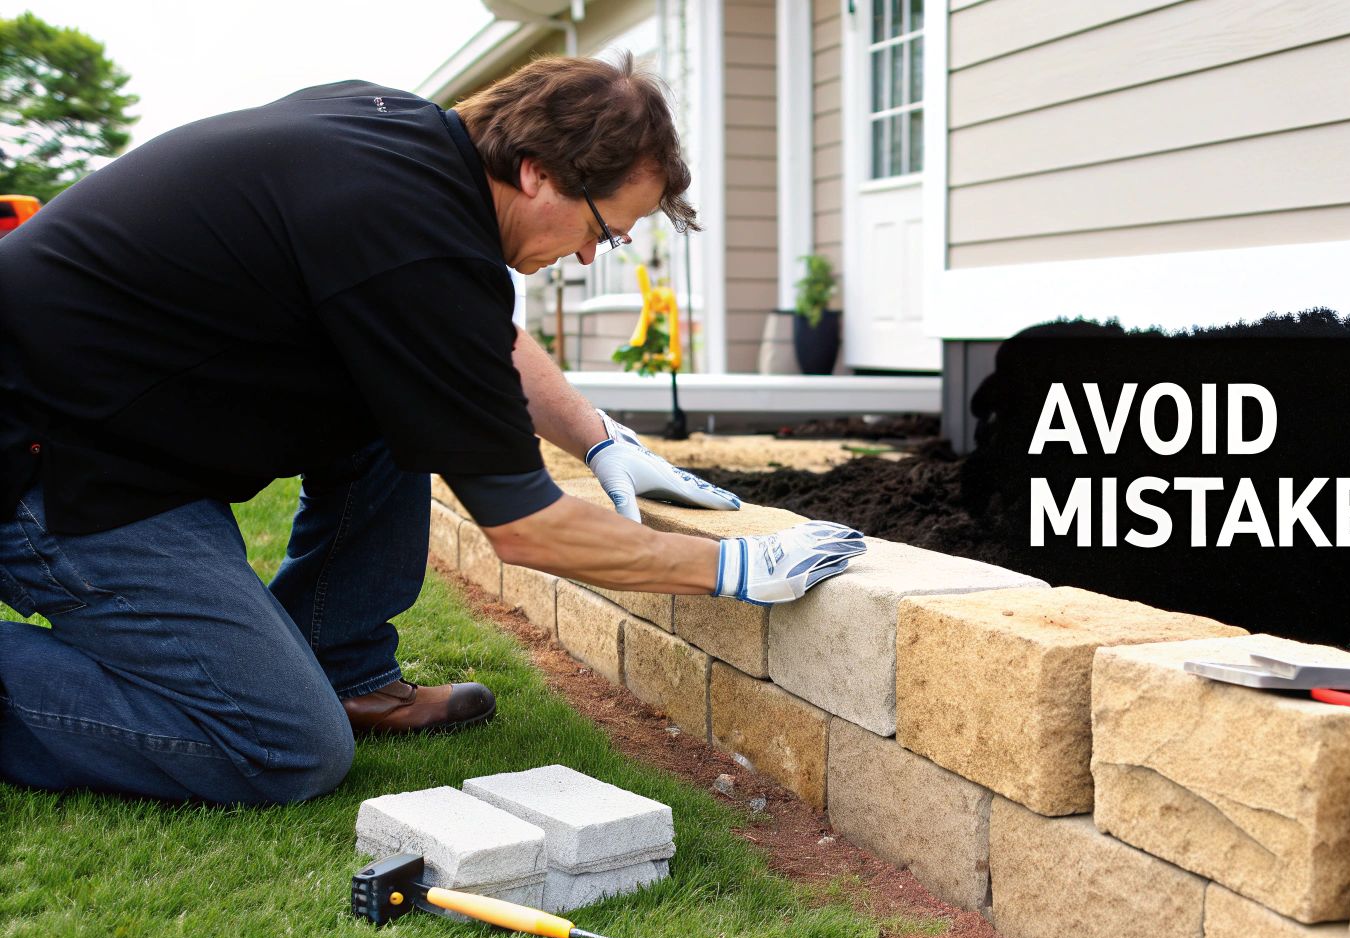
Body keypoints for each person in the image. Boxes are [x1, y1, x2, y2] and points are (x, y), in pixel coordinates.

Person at [0, 54, 865, 806]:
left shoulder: (405, 146)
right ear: (536, 171)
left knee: (388, 413)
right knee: (281, 746)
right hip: (47, 461)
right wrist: (737, 566)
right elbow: (525, 528)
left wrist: (599, 439)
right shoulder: (408, 234)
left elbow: (468, 339)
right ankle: (312, 700)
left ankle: (345, 669)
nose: (592, 255)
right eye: (605, 228)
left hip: (117, 431)